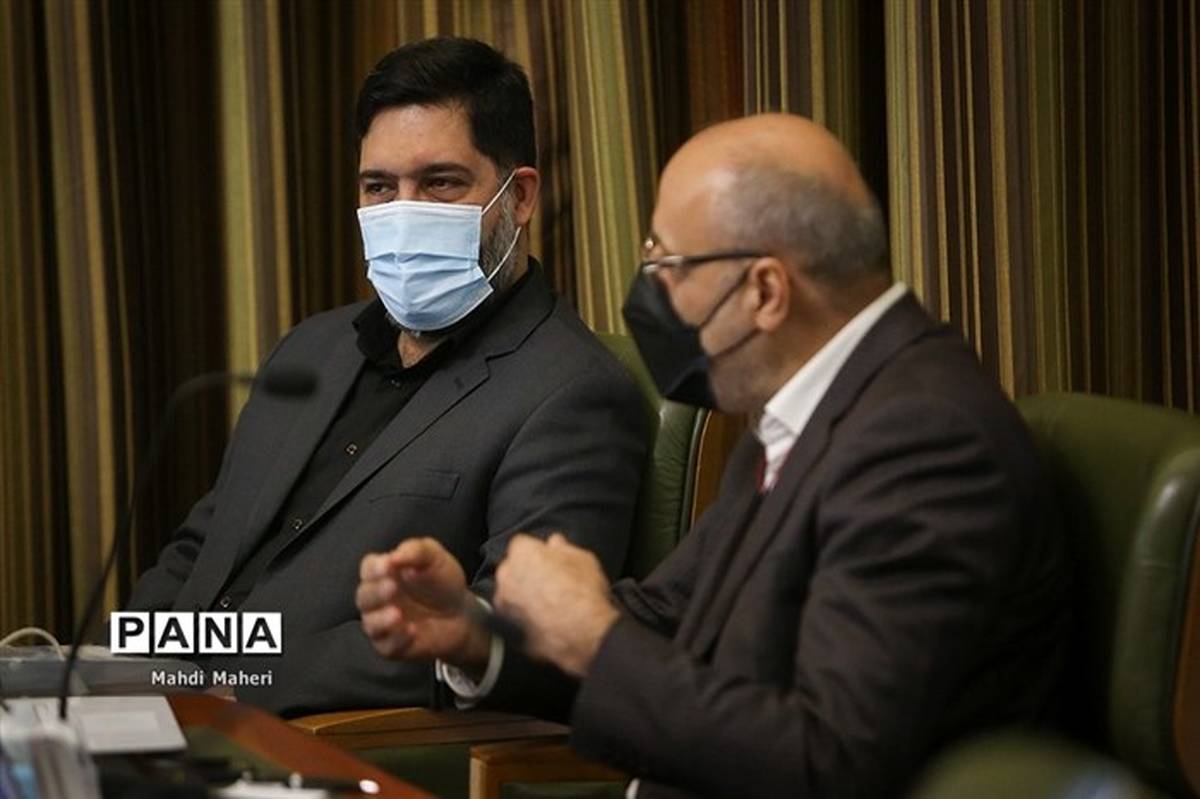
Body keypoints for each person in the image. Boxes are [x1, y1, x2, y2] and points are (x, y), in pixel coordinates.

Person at [356, 113, 1071, 796]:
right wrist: (480, 634)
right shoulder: (810, 407)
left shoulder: (924, 444)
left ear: (765, 290)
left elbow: (828, 764)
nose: (651, 293)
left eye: (667, 263)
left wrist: (596, 637)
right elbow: (671, 618)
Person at [124, 37, 648, 718]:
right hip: (166, 709)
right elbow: (205, 548)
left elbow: (514, 636)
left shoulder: (573, 393)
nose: (403, 212)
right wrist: (118, 669)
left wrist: (229, 681)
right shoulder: (310, 349)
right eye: (379, 187)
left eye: (440, 183)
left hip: (309, 737)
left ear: (519, 197)